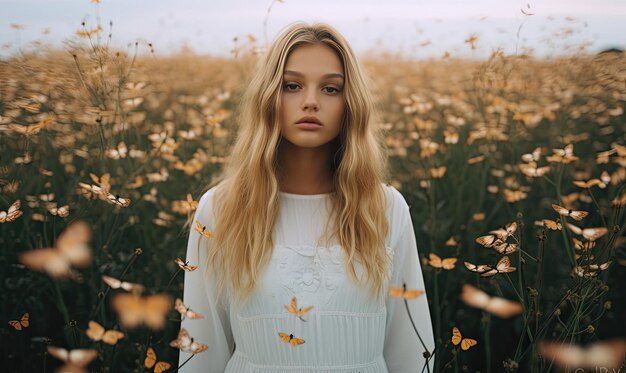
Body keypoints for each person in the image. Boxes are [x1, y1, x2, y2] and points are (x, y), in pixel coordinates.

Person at [179, 21, 435, 372]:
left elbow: (411, 347)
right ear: (269, 96)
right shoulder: (221, 209)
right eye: (292, 86)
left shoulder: (386, 208)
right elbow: (202, 347)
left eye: (331, 89)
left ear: (350, 102)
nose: (311, 102)